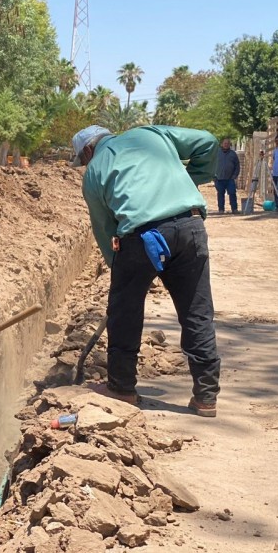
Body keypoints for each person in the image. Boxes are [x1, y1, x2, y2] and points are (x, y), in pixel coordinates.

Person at [70, 125, 221, 417]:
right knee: (196, 311)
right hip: (191, 228)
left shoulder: (94, 171)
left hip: (142, 237)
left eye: (83, 159)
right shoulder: (152, 134)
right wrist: (192, 179)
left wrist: (120, 276)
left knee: (124, 312)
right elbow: (208, 141)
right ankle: (206, 397)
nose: (85, 164)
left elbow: (105, 230)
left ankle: (121, 387)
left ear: (88, 150)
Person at [213, 138, 240, 214]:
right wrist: (214, 176)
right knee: (220, 194)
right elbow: (212, 164)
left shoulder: (233, 154)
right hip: (219, 178)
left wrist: (234, 176)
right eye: (225, 143)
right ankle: (221, 209)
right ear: (222, 144)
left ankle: (234, 209)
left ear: (229, 145)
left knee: (232, 193)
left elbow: (237, 166)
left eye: (228, 143)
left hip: (230, 179)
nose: (226, 145)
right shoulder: (217, 153)